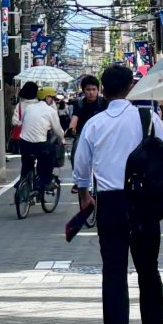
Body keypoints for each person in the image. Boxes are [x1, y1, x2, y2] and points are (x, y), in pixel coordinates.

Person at [69, 62, 163, 324]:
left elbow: (80, 168)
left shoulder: (95, 124)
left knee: (114, 272)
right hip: (144, 203)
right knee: (148, 267)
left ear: (102, 90)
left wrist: (85, 196)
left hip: (110, 203)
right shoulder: (148, 118)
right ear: (131, 87)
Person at [61, 74, 107, 238]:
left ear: (98, 90)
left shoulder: (104, 103)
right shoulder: (79, 104)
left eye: (94, 89)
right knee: (76, 151)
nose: (91, 93)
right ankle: (78, 180)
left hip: (102, 136)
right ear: (83, 91)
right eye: (88, 90)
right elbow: (75, 120)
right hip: (85, 135)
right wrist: (71, 129)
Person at [15, 81, 62, 207]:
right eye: (52, 98)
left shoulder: (29, 108)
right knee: (48, 156)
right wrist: (62, 140)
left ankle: (21, 184)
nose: (53, 101)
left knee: (26, 165)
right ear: (47, 98)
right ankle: (45, 181)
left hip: (24, 143)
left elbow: (21, 122)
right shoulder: (50, 111)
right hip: (39, 144)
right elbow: (58, 131)